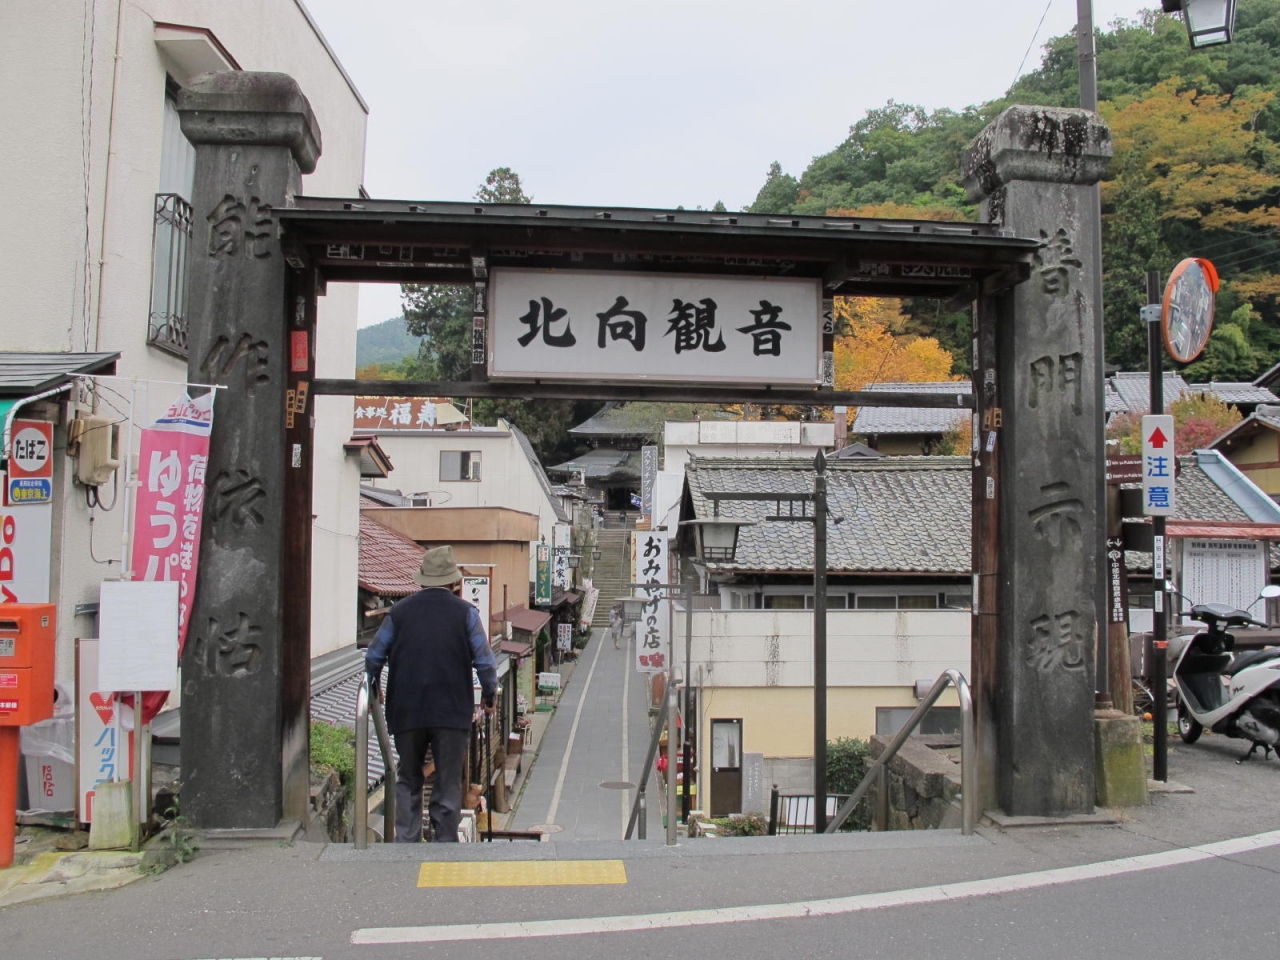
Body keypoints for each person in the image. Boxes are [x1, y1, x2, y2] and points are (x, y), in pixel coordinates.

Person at [365, 545, 497, 843]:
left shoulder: (399, 612)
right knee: (448, 780)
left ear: (423, 579)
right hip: (451, 711)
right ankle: (445, 844)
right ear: (454, 582)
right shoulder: (466, 613)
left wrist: (374, 690)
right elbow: (485, 661)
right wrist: (489, 696)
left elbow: (373, 656)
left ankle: (407, 843)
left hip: (406, 709)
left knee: (408, 776)